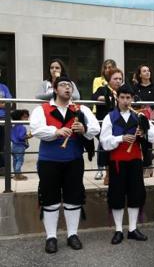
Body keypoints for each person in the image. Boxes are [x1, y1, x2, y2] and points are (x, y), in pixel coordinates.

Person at [30, 75, 100, 254]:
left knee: (73, 198)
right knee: (50, 199)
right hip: (49, 161)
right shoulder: (42, 109)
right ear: (55, 89)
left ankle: (72, 235)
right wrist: (56, 131)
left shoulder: (80, 109)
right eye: (63, 85)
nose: (67, 88)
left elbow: (95, 128)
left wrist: (84, 129)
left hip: (74, 160)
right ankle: (51, 237)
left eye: (69, 86)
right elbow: (36, 129)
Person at [100, 84, 154, 244]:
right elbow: (104, 142)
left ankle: (132, 229)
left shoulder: (139, 117)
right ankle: (118, 230)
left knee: (135, 194)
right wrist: (121, 138)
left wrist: (144, 133)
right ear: (117, 98)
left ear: (132, 99)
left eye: (128, 98)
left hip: (134, 161)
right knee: (117, 195)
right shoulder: (109, 117)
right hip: (117, 162)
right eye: (123, 97)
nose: (126, 101)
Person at [132, 65, 154, 178]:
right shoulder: (135, 87)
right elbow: (132, 102)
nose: (147, 72)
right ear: (140, 74)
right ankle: (148, 164)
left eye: (148, 71)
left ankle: (147, 167)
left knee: (148, 141)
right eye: (144, 71)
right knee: (140, 140)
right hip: (140, 118)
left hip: (153, 118)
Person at [92, 68, 124, 182]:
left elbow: (135, 98)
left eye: (120, 79)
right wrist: (107, 98)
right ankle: (107, 173)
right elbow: (94, 97)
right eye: (115, 78)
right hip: (105, 123)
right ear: (109, 80)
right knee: (105, 148)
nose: (118, 81)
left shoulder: (123, 90)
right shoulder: (103, 89)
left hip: (120, 125)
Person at [10, 109, 30, 181]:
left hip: (13, 146)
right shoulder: (22, 127)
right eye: (25, 117)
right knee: (20, 160)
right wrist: (29, 136)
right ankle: (18, 175)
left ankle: (16, 174)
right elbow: (21, 137)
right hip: (20, 146)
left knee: (15, 160)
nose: (27, 119)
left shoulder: (13, 127)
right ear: (19, 117)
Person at [0, 70, 12, 175]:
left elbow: (10, 103)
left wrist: (4, 104)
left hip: (3, 119)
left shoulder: (4, 87)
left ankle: (4, 168)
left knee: (4, 144)